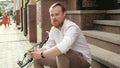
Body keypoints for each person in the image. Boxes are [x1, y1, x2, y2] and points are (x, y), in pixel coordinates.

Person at [30, 2, 91, 68]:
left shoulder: (72, 27)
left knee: (61, 53)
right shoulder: (53, 29)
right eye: (52, 15)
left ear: (64, 14)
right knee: (37, 58)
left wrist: (41, 54)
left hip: (82, 61)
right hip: (63, 59)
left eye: (57, 14)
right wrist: (38, 51)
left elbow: (63, 47)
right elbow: (49, 45)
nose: (54, 17)